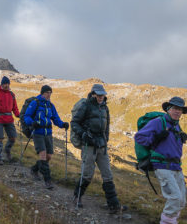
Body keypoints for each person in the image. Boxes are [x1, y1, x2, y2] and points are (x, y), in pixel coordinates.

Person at [134, 97, 187, 224]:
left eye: (180, 109)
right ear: (168, 109)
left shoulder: (177, 125)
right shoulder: (159, 122)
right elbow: (140, 137)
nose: (178, 111)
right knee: (175, 197)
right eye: (175, 108)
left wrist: (181, 137)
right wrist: (157, 137)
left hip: (176, 167)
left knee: (182, 201)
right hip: (162, 165)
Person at [71, 84, 121, 213]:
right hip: (89, 145)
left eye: (102, 95)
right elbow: (74, 123)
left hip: (101, 146)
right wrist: (83, 134)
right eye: (98, 95)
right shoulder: (86, 106)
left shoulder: (105, 107)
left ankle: (113, 204)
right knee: (87, 173)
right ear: (93, 94)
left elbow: (107, 125)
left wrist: (106, 139)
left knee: (108, 174)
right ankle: (77, 197)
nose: (100, 97)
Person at [23, 85, 69, 190]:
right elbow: (27, 116)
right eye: (47, 92)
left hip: (48, 133)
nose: (49, 94)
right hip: (37, 133)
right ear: (42, 93)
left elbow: (55, 118)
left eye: (50, 92)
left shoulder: (50, 106)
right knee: (43, 155)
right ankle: (48, 181)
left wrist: (62, 124)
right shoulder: (35, 103)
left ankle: (34, 169)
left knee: (49, 156)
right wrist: (32, 123)